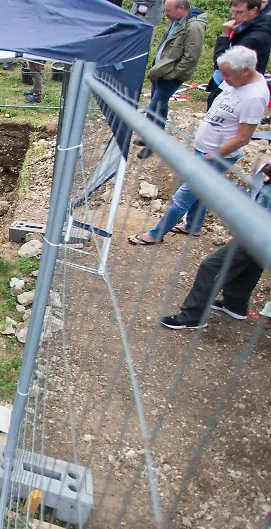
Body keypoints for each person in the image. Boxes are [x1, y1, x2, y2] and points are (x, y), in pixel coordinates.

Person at [130, 46, 269, 246]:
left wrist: (212, 156)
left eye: (227, 74)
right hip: (205, 148)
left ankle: (155, 234)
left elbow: (243, 138)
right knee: (201, 190)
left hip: (217, 155)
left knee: (184, 195)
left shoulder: (255, 96)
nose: (223, 79)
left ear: (245, 70)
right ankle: (193, 226)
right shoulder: (237, 80)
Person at [160, 160, 271, 329]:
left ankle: (192, 316)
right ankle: (235, 305)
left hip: (258, 234)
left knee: (211, 267)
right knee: (252, 264)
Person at [137, 0, 208, 159]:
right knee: (160, 107)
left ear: (181, 8)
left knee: (155, 107)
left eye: (168, 11)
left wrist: (172, 74)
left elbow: (191, 57)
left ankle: (152, 143)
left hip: (170, 75)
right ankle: (154, 138)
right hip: (162, 72)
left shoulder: (194, 26)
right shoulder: (177, 21)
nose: (165, 14)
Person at [205, 0, 271, 109]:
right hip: (228, 85)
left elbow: (221, 63)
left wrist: (224, 35)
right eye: (233, 12)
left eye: (239, 12)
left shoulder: (255, 37)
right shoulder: (245, 26)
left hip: (237, 91)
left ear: (254, 10)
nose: (234, 16)